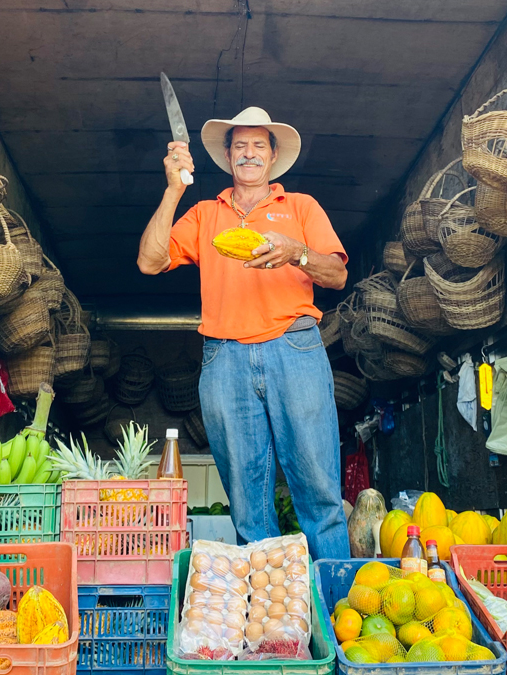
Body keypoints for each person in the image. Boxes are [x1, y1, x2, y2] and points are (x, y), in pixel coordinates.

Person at [136, 107, 350, 560]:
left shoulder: (300, 208)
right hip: (226, 358)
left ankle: (333, 615)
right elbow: (149, 262)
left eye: (258, 146)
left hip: (295, 349)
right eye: (239, 146)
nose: (248, 155)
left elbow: (336, 275)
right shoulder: (204, 214)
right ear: (228, 157)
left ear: (273, 157)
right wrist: (174, 190)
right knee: (249, 504)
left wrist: (298, 253)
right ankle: (269, 622)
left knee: (318, 487)